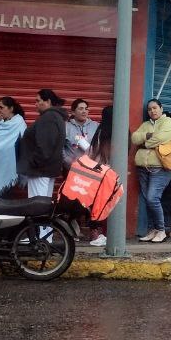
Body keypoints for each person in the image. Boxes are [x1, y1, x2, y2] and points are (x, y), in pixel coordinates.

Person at [130, 98, 171, 243]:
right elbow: (134, 138)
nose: (152, 111)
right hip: (143, 168)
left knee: (152, 198)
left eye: (155, 108)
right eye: (149, 109)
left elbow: (162, 137)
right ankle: (155, 229)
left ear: (161, 108)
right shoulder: (145, 125)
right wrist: (147, 137)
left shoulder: (168, 122)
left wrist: (145, 142)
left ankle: (161, 230)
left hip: (160, 168)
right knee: (148, 200)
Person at [18, 89, 67, 198]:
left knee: (36, 206)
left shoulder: (48, 117)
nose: (35, 104)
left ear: (48, 101)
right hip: (46, 170)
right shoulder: (56, 117)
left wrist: (33, 163)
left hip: (40, 171)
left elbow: (45, 146)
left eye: (37, 100)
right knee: (43, 205)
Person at [82, 105, 114, 247]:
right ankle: (100, 233)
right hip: (108, 173)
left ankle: (95, 232)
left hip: (96, 171)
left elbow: (92, 152)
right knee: (104, 204)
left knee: (95, 204)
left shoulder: (100, 130)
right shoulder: (115, 132)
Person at [64, 98, 98, 170]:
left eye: (86, 109)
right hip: (71, 168)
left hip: (91, 168)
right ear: (73, 112)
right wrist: (69, 161)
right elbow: (59, 147)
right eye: (81, 109)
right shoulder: (66, 127)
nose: (84, 111)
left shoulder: (96, 126)